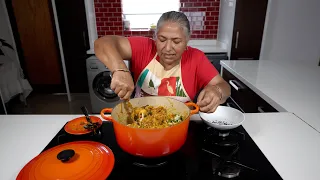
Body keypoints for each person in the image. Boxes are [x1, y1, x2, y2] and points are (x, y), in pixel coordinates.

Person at [94, 11, 231, 113]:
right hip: (139, 123)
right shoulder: (144, 48)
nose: (168, 48)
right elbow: (102, 43)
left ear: (187, 40)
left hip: (178, 127)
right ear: (155, 37)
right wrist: (120, 69)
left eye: (176, 41)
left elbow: (224, 86)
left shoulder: (196, 58)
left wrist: (217, 91)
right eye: (162, 39)